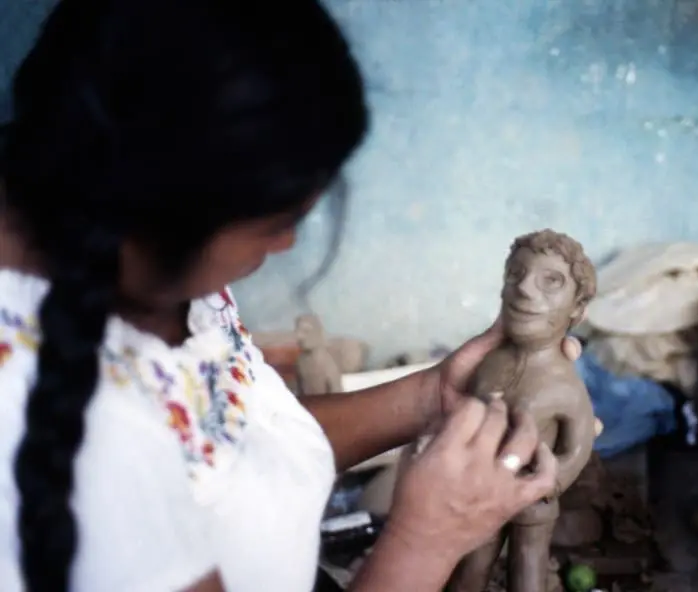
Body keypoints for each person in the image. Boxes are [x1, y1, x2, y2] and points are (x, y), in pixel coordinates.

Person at [0, 1, 584, 591]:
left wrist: (429, 397)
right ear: (155, 214)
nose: (286, 245)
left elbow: (232, 447)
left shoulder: (146, 265)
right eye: (274, 222)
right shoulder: (62, 431)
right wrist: (425, 540)